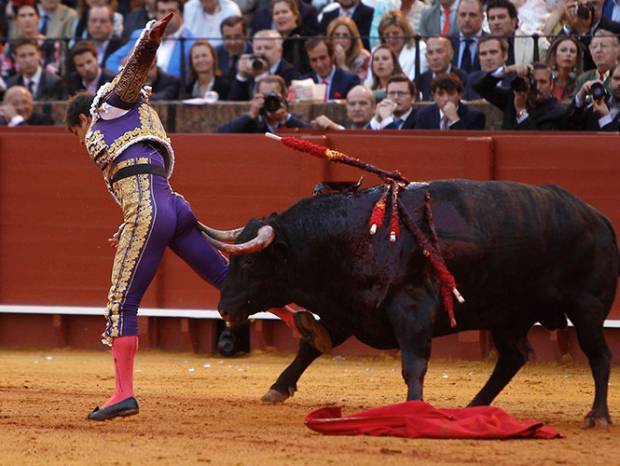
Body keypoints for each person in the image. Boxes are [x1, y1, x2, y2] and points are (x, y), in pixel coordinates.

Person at [65, 14, 329, 421]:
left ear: (83, 120)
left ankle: (122, 393)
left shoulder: (108, 107)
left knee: (121, 303)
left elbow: (131, 72)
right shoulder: (139, 114)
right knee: (226, 277)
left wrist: (150, 38)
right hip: (172, 205)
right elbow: (144, 177)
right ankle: (290, 315)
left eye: (77, 134)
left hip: (150, 210)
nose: (82, 142)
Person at [107, 0, 195, 80]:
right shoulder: (141, 35)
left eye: (171, 11)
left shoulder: (191, 42)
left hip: (170, 93)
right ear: (156, 14)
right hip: (136, 91)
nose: (166, 16)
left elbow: (187, 78)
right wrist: (126, 71)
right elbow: (111, 62)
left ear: (181, 14)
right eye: (162, 12)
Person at [474, 62, 567, 130]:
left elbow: (537, 143)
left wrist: (521, 111)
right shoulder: (513, 97)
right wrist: (506, 70)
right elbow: (481, 87)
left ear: (551, 85)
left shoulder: (556, 111)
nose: (537, 87)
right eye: (533, 82)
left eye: (543, 82)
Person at [217, 74, 310, 132]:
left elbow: (310, 133)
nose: (270, 101)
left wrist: (286, 119)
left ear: (284, 97)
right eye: (265, 96)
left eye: (274, 96)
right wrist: (250, 115)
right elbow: (220, 134)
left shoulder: (294, 118)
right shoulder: (252, 120)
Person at [227, 29, 299, 101]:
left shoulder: (290, 72)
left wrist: (261, 75)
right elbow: (233, 103)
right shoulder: (250, 68)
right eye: (258, 48)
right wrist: (241, 76)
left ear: (279, 51)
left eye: (267, 48)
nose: (262, 52)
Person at [559, 0, 620, 70]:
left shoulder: (615, 29)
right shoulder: (572, 27)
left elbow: (594, 62)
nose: (588, 2)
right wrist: (568, 27)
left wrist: (584, 31)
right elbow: (554, 51)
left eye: (593, 4)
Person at [486, 0, 548, 66]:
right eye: (492, 18)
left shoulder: (536, 42)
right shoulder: (482, 44)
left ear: (514, 21)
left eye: (501, 17)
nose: (496, 22)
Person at [415, 72, 486, 129]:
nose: (446, 99)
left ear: (460, 95)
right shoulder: (423, 115)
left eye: (450, 93)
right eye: (440, 94)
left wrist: (454, 119)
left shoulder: (475, 116)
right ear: (434, 96)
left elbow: (468, 145)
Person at [298, 37, 360, 101]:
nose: (319, 64)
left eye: (322, 58)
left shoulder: (349, 80)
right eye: (314, 60)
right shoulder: (303, 82)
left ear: (332, 56)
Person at [565, 61, 620, 130]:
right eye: (617, 78)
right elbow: (568, 127)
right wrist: (581, 96)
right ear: (609, 82)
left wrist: (606, 117)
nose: (619, 83)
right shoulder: (596, 103)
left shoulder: (600, 107)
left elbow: (614, 140)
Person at [378, 10, 428, 82]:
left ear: (405, 32)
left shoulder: (420, 49)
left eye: (395, 33)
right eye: (387, 35)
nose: (392, 39)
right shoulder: (377, 52)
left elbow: (414, 80)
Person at [272, 0, 315, 74]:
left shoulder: (306, 38)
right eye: (276, 13)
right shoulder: (273, 42)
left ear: (295, 15)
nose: (280, 16)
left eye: (284, 12)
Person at [572, 29, 619, 98]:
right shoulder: (583, 78)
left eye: (604, 46)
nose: (598, 50)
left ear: (617, 50)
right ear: (590, 51)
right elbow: (573, 107)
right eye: (594, 47)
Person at [418, 36, 467, 100]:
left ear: (451, 54)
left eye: (439, 51)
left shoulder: (464, 79)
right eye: (430, 53)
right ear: (426, 57)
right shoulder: (420, 81)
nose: (435, 57)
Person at [464, 36, 512, 100]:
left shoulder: (515, 79)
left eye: (493, 52)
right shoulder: (472, 80)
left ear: (505, 55)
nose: (488, 58)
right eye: (483, 54)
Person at [325, 16, 371, 81]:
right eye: (337, 35)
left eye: (345, 36)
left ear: (353, 39)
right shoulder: (326, 56)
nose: (341, 40)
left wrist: (342, 65)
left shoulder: (364, 58)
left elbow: (357, 83)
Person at [311, 84, 376, 130]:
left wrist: (335, 128)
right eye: (352, 104)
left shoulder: (382, 129)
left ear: (374, 108)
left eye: (363, 103)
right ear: (346, 108)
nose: (357, 109)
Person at [451, 0, 486, 74]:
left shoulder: (492, 42)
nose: (467, 20)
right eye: (463, 15)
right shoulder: (448, 42)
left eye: (472, 15)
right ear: (457, 17)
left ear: (482, 18)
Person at [545, 35, 582, 101]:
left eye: (572, 51)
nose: (568, 54)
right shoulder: (545, 80)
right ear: (554, 55)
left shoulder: (581, 82)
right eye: (563, 50)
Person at [216, 15, 251, 82]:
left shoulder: (254, 53)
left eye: (237, 37)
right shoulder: (216, 54)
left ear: (246, 35)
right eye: (228, 37)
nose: (233, 43)